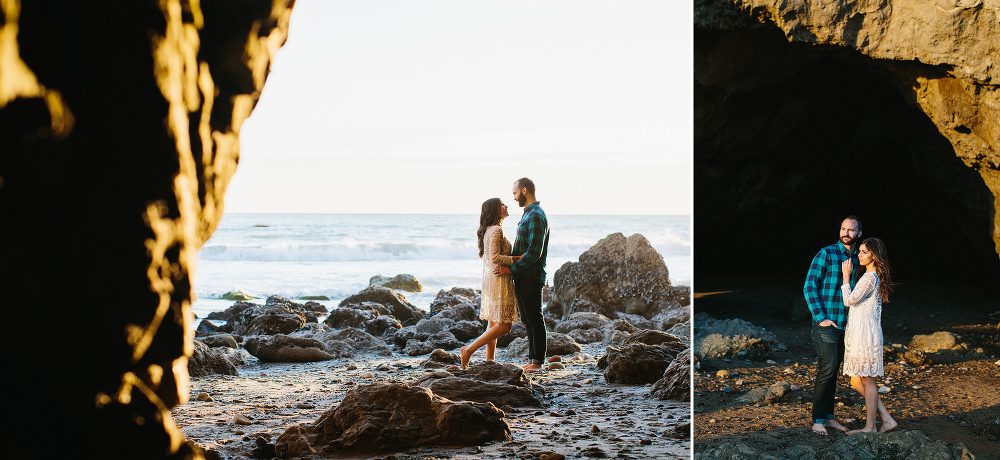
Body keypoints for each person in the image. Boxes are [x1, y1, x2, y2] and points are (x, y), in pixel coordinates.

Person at [803, 216, 862, 435]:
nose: (846, 233)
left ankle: (828, 417)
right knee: (827, 368)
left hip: (847, 325)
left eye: (851, 230)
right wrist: (820, 317)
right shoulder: (826, 253)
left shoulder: (861, 257)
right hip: (827, 322)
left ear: (859, 233)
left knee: (834, 369)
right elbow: (810, 286)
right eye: (843, 229)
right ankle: (817, 420)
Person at [840, 237, 897, 434]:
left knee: (867, 381)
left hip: (866, 335)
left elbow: (849, 300)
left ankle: (870, 426)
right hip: (861, 331)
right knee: (856, 380)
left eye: (864, 252)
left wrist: (846, 277)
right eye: (860, 251)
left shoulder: (870, 278)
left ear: (875, 256)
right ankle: (887, 419)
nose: (859, 255)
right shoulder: (870, 277)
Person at [494, 178, 549, 372]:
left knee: (535, 317)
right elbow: (526, 250)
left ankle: (538, 362)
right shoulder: (528, 214)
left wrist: (511, 269)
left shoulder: (535, 215)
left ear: (524, 191)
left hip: (531, 275)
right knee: (528, 319)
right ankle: (533, 359)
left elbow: (535, 252)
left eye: (515, 193)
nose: (514, 197)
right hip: (523, 275)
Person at [461, 198, 521, 369]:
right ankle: (468, 350)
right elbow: (495, 258)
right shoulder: (496, 230)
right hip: (499, 280)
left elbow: (488, 257)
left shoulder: (489, 230)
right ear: (495, 210)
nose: (506, 206)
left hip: (492, 279)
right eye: (502, 204)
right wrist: (519, 258)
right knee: (504, 327)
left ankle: (489, 361)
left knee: (492, 323)